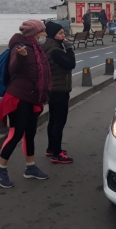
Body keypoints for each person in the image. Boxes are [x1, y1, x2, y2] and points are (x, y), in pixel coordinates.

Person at [0, 20, 52, 188]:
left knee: (30, 132)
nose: (45, 35)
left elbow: (41, 74)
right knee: (16, 134)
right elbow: (13, 69)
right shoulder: (20, 48)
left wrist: (44, 94)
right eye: (43, 32)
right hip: (18, 97)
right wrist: (21, 58)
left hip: (32, 97)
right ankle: (0, 170)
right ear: (34, 33)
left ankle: (30, 167)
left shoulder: (36, 48)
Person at [41, 22, 76, 164]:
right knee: (59, 122)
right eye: (60, 33)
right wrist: (69, 48)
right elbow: (70, 64)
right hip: (59, 90)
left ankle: (51, 148)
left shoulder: (48, 47)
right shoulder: (55, 50)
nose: (64, 36)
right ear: (52, 35)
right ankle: (57, 154)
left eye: (64, 33)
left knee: (53, 120)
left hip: (52, 89)